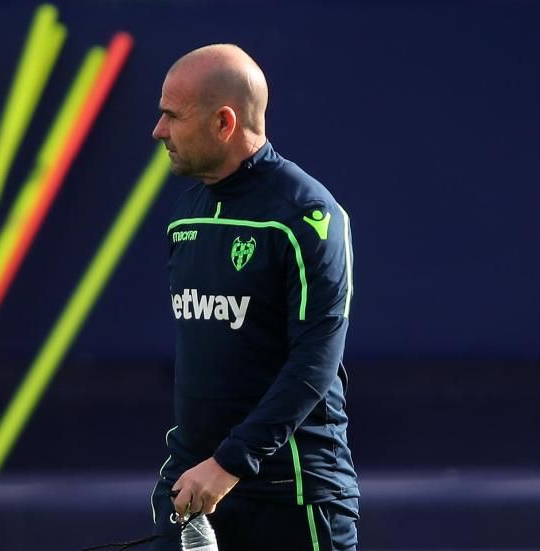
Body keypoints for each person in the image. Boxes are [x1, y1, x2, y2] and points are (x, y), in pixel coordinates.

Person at [149, 44, 359, 550]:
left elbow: (315, 363)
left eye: (172, 116)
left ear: (224, 122)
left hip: (292, 498)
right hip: (198, 491)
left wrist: (229, 463)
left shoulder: (307, 215)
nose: (159, 131)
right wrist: (188, 464)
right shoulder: (187, 214)